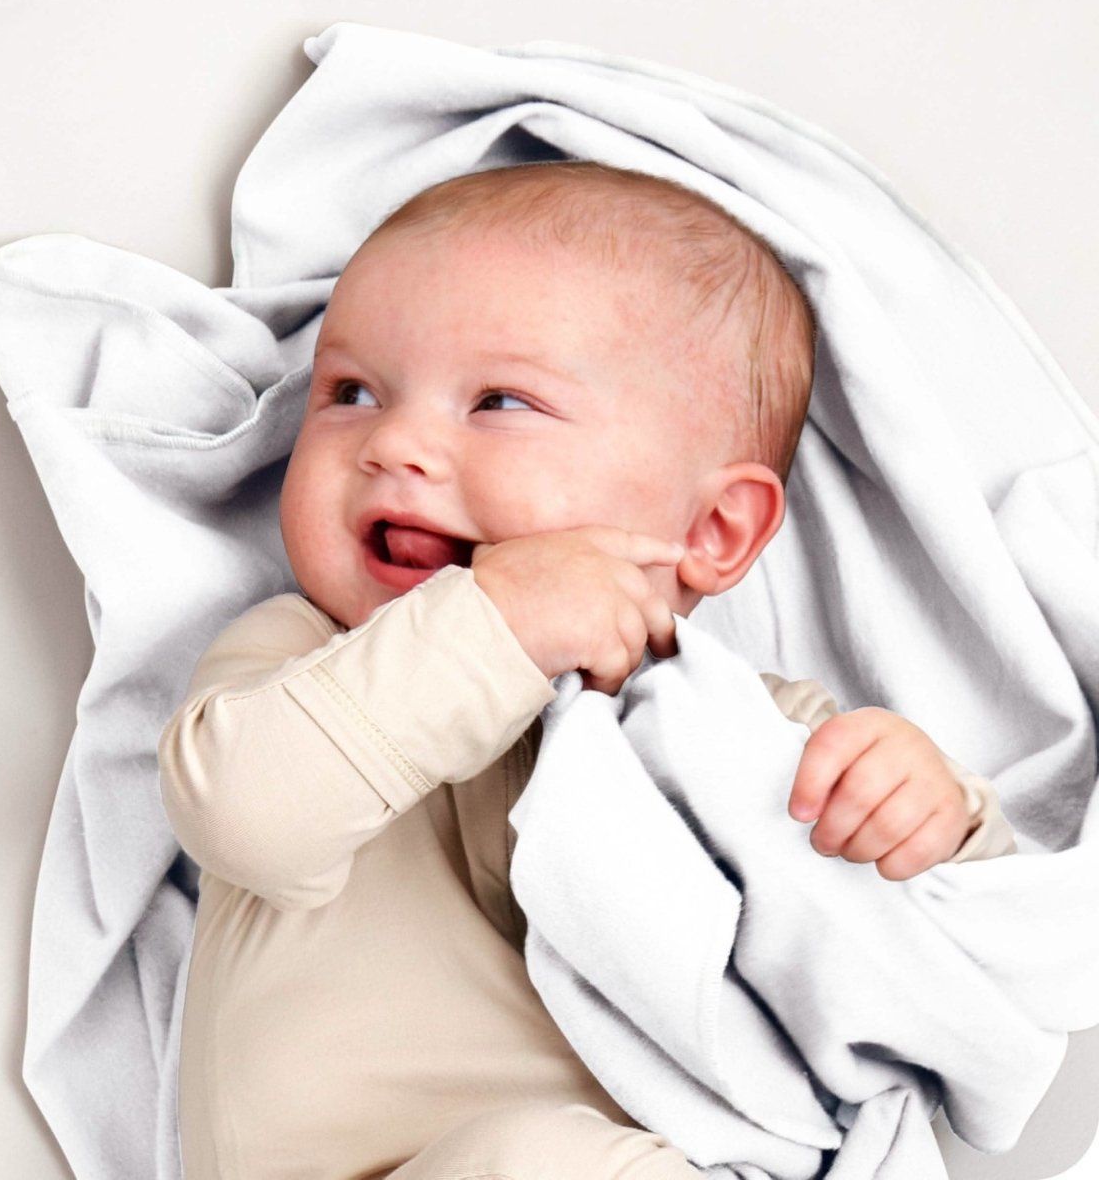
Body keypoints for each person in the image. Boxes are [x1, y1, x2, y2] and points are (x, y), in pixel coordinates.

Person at [158, 162, 1014, 1180]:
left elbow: (939, 964)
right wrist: (497, 624)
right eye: (350, 393)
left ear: (713, 530)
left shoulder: (752, 732)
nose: (394, 442)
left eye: (499, 401)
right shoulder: (300, 657)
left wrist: (934, 819)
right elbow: (250, 817)